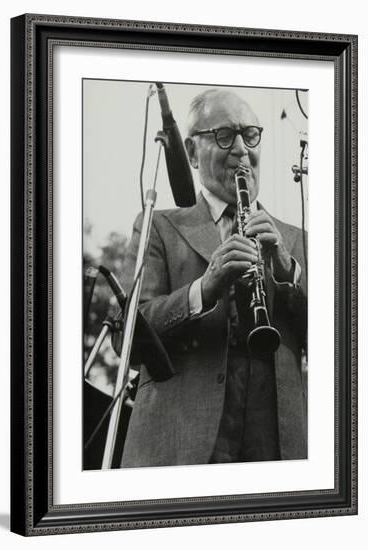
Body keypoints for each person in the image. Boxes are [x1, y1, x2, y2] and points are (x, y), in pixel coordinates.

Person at [120, 88, 307, 468]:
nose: (241, 149)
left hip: (276, 446)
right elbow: (126, 339)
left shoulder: (295, 240)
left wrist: (287, 272)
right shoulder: (158, 226)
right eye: (224, 135)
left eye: (250, 135)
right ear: (191, 152)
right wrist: (202, 290)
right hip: (178, 443)